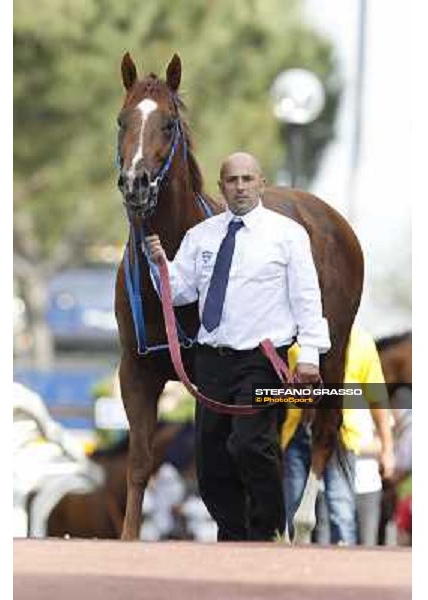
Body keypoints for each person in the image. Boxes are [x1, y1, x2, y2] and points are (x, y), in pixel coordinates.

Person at [145, 152, 331, 541]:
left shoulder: (288, 234)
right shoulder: (202, 236)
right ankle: (234, 539)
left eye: (248, 179)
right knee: (210, 463)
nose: (241, 186)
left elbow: (307, 299)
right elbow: (178, 292)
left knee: (251, 445)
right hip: (211, 362)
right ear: (221, 187)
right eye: (232, 180)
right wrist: (158, 262)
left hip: (262, 360)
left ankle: (265, 533)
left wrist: (310, 356)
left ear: (261, 183)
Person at [282, 325, 394, 544]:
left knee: (341, 511)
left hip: (340, 436)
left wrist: (388, 449)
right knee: (293, 513)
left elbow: (377, 398)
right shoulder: (295, 342)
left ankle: (342, 572)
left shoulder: (361, 342)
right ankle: (291, 569)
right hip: (297, 435)